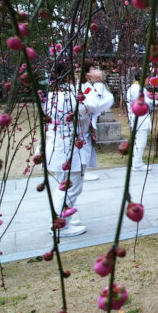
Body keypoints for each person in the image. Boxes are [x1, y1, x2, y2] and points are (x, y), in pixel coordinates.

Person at [44, 62, 107, 237]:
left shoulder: (53, 95)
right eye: (77, 73)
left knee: (63, 185)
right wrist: (98, 83)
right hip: (72, 148)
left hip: (59, 145)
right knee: (71, 188)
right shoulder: (72, 98)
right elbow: (98, 105)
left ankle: (63, 218)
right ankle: (60, 225)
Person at [80, 60, 114, 182]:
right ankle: (82, 171)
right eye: (93, 68)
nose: (96, 70)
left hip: (86, 120)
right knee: (84, 146)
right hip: (84, 121)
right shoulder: (86, 85)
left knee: (86, 145)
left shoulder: (87, 84)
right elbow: (96, 103)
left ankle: (83, 170)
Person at [126, 71, 157, 172]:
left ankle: (136, 162)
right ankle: (137, 164)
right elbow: (144, 102)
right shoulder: (138, 89)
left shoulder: (134, 88)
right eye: (148, 79)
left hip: (136, 118)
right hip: (140, 118)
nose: (148, 81)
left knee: (138, 142)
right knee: (141, 142)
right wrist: (154, 100)